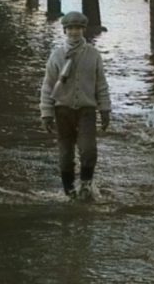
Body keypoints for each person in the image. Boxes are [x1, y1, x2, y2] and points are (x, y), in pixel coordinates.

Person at [39, 11, 111, 199]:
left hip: (87, 109)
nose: (74, 32)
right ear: (64, 30)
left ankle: (86, 185)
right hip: (62, 110)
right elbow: (48, 86)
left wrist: (105, 109)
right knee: (65, 153)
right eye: (70, 28)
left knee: (88, 149)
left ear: (83, 30)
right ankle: (69, 191)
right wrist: (46, 113)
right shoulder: (56, 56)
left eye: (78, 28)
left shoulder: (93, 54)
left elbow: (101, 84)